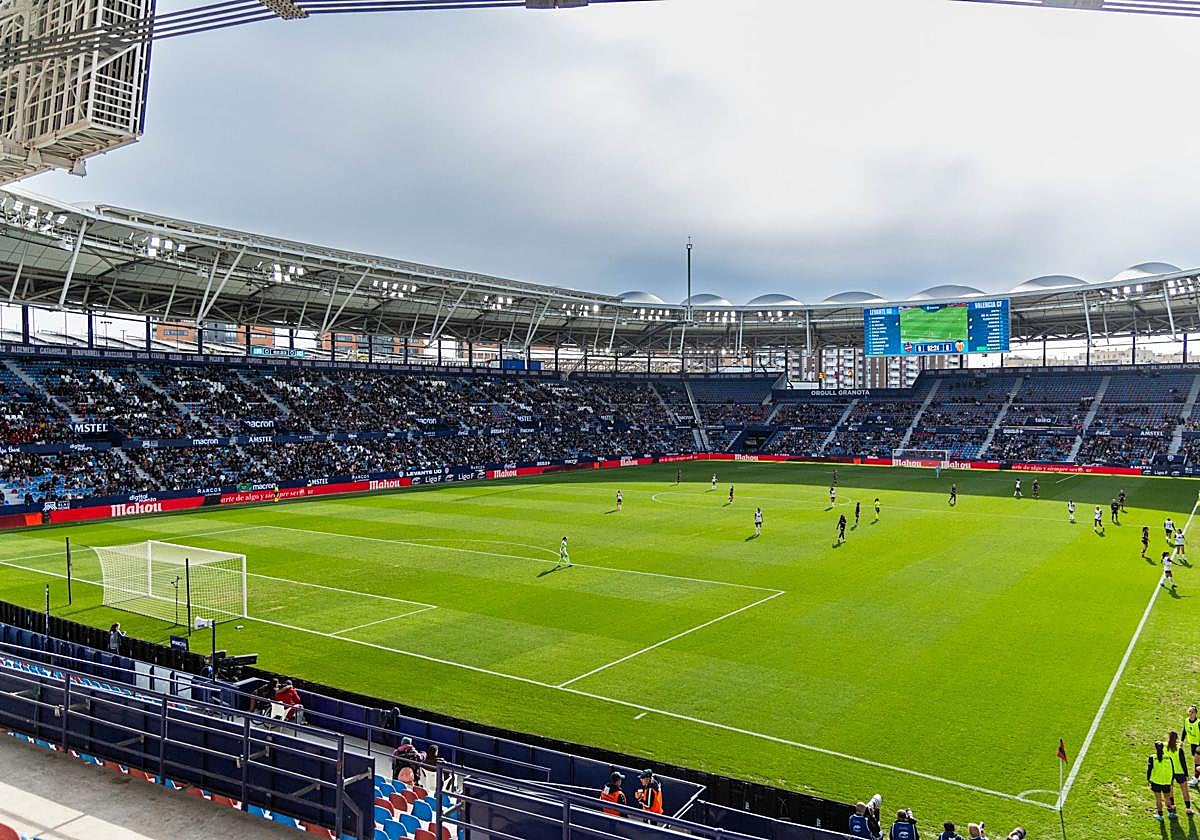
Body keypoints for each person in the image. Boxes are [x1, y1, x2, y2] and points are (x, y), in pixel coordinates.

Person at [1149, 739, 1178, 821]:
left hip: (1156, 782)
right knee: (1167, 798)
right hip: (1166, 782)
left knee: (1158, 799)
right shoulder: (1168, 757)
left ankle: (1160, 815)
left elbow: (1149, 770)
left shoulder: (1152, 757)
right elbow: (1172, 769)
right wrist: (1171, 780)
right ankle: (1170, 813)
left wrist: (1148, 779)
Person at [1168, 730, 1194, 815]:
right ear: (1177, 739)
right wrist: (1186, 774)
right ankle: (1188, 808)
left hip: (1170, 772)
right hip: (1180, 772)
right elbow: (1183, 763)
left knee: (1170, 790)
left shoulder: (1165, 748)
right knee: (1185, 790)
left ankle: (1172, 805)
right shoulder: (1179, 749)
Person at [1183, 705, 1200, 788]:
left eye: (1192, 712)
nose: (1190, 713)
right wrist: (1182, 741)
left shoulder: (1199, 723)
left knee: (1197, 761)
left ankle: (1195, 779)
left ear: (1196, 713)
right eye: (1189, 711)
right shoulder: (1186, 721)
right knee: (1197, 761)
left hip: (1199, 745)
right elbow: (1184, 731)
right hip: (1193, 744)